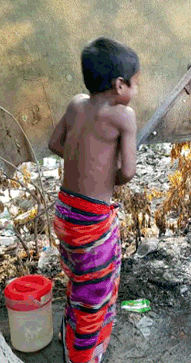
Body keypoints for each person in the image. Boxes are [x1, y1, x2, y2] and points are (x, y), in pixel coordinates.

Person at [47, 37, 139, 363]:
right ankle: (82, 355)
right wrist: (105, 177)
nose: (136, 91)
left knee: (79, 279)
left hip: (65, 212)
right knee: (95, 289)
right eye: (135, 84)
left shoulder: (75, 105)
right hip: (93, 221)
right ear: (119, 85)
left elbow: (55, 143)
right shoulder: (123, 116)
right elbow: (127, 171)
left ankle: (73, 333)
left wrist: (84, 166)